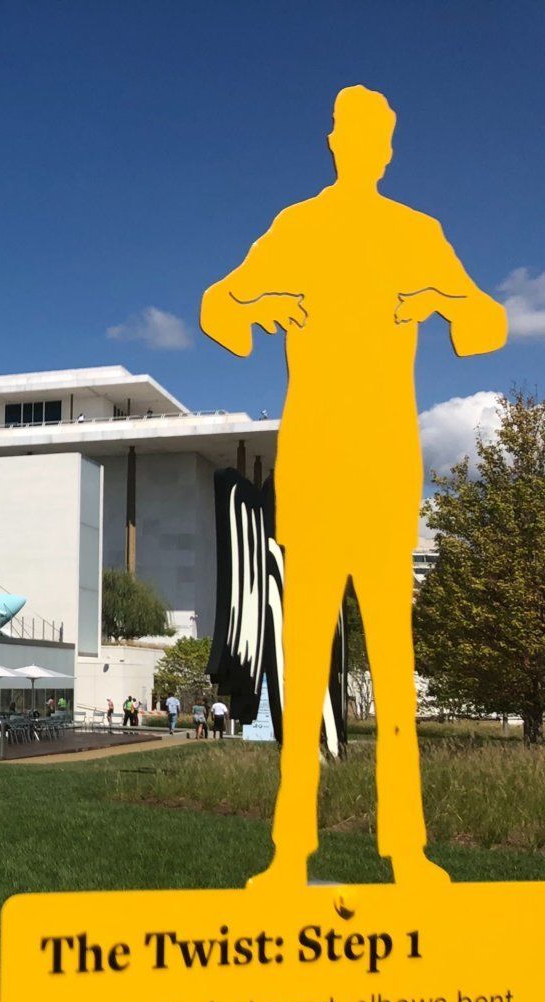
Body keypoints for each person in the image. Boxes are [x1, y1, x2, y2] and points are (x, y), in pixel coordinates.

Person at [201, 86, 504, 889]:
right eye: (354, 136)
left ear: (386, 151)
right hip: (315, 470)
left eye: (377, 138)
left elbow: (489, 326)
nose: (365, 149)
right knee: (303, 669)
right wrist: (258, 305)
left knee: (395, 669)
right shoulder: (299, 229)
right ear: (335, 144)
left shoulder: (415, 235)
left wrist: (447, 300)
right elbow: (217, 307)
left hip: (382, 473)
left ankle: (408, 849)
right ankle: (289, 852)